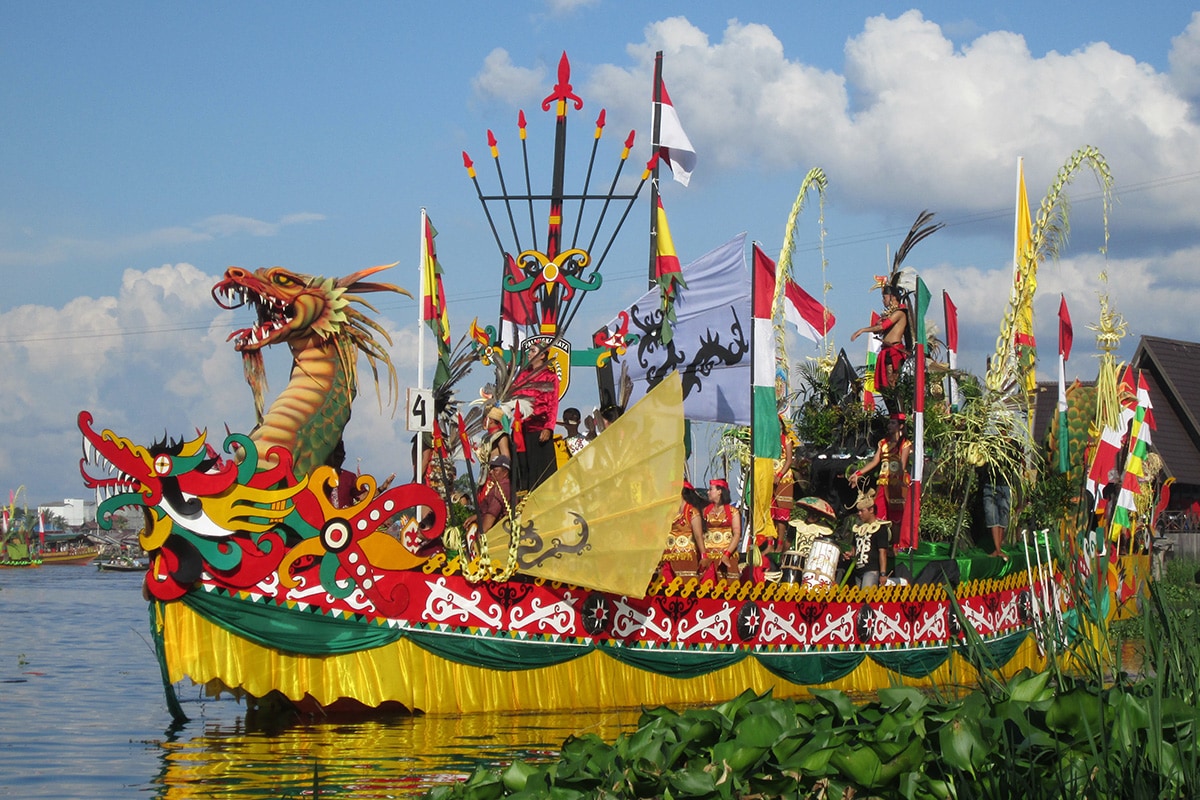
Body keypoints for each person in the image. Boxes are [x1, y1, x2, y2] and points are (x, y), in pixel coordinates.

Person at [850, 413, 911, 539]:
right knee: (879, 511)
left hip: (896, 483)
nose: (889, 425)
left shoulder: (905, 443)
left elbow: (902, 466)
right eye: (889, 423)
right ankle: (879, 541)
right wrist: (858, 473)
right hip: (883, 482)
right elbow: (874, 461)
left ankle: (895, 545)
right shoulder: (883, 442)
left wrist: (895, 479)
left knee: (896, 514)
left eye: (893, 423)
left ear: (901, 426)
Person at [510, 342, 560, 493]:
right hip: (521, 431)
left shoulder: (550, 377)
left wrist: (549, 428)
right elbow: (512, 396)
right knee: (522, 473)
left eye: (532, 351)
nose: (529, 354)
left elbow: (553, 404)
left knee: (542, 475)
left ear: (542, 355)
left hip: (540, 431)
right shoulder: (523, 375)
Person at [850, 285, 908, 412]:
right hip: (885, 351)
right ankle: (893, 414)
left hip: (894, 352)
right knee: (884, 386)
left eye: (884, 297)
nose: (883, 300)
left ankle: (899, 415)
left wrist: (863, 330)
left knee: (892, 383)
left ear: (892, 297)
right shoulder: (891, 314)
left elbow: (883, 327)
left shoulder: (899, 313)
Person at [659, 481, 707, 582]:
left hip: (686, 557)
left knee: (685, 586)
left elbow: (698, 536)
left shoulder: (692, 512)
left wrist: (704, 555)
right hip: (668, 557)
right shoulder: (669, 512)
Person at [845, 487, 891, 588]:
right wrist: (850, 554)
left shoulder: (880, 528)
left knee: (866, 598)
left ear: (871, 510)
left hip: (871, 570)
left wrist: (883, 574)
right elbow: (854, 550)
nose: (859, 513)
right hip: (857, 570)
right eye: (858, 511)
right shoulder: (858, 528)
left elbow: (882, 552)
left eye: (862, 511)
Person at [699, 478, 742, 578]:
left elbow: (737, 534)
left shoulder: (733, 512)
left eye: (710, 489)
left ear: (719, 491)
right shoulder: (705, 511)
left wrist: (727, 554)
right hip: (708, 556)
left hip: (727, 554)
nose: (708, 492)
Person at [979, 464, 1011, 559]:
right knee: (992, 516)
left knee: (1002, 518)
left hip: (1004, 484)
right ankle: (997, 550)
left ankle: (998, 549)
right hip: (989, 485)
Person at [477, 454, 514, 534]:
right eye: (491, 469)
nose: (490, 472)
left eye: (495, 470)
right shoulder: (499, 486)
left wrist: (480, 538)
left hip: (496, 533)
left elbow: (491, 515)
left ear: (505, 473)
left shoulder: (502, 488)